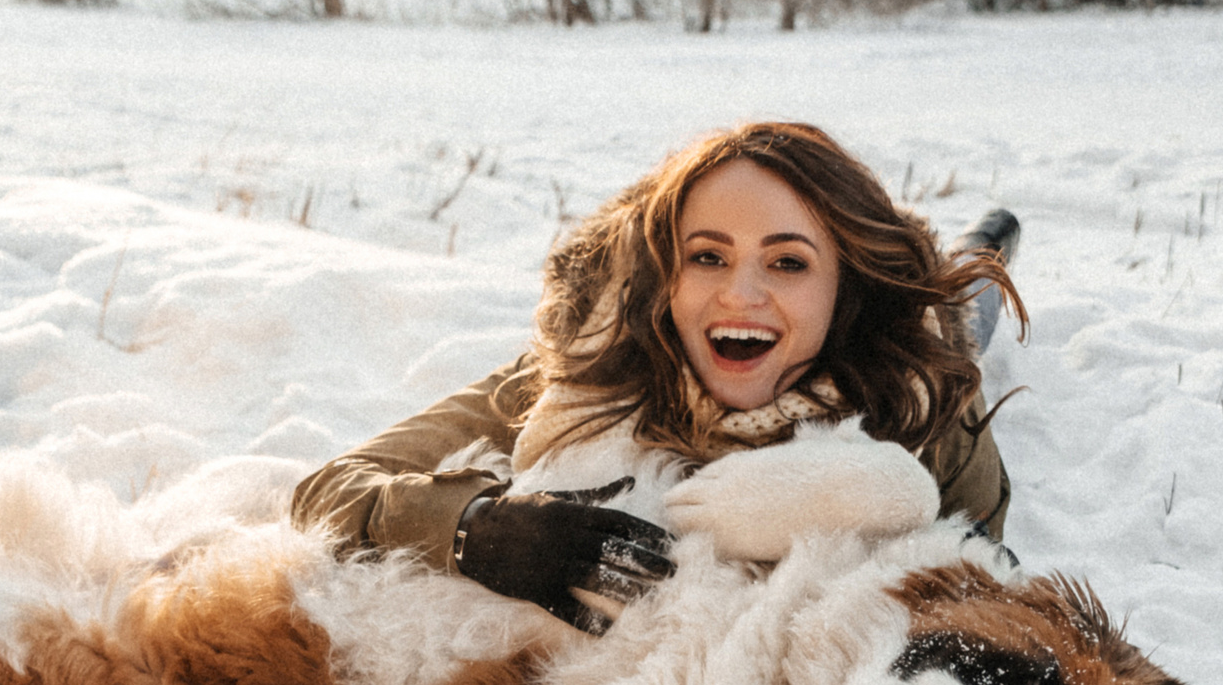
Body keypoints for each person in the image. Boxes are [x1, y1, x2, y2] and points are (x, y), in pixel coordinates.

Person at [290, 120, 1023, 629]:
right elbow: (326, 491)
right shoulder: (592, 371)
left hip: (929, 321)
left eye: (789, 263)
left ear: (846, 290)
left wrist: (876, 505)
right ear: (661, 278)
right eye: (706, 256)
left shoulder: (924, 392)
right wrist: (470, 527)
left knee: (964, 298)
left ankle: (987, 241)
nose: (740, 294)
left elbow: (996, 590)